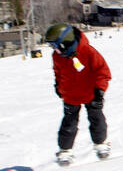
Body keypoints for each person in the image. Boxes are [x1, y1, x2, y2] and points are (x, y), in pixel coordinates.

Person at [46, 23, 111, 163]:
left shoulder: (88, 51)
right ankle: (65, 150)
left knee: (96, 118)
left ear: (65, 42)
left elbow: (102, 72)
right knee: (69, 123)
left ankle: (100, 144)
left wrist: (100, 90)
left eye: (56, 46)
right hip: (70, 94)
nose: (55, 50)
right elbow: (57, 72)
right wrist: (58, 85)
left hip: (91, 93)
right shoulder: (57, 57)